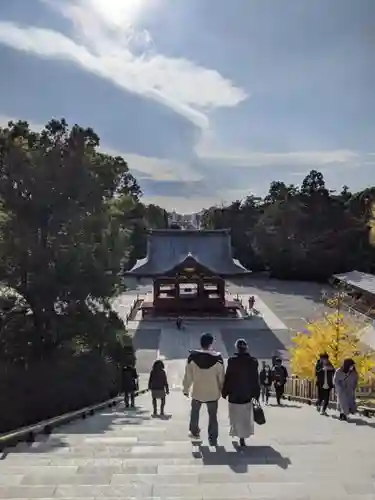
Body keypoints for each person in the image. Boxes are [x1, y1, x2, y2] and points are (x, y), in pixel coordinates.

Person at [183, 332, 224, 446]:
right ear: (211, 343)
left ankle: (194, 431)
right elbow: (221, 378)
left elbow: (188, 376)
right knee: (212, 415)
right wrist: (222, 389)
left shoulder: (192, 357)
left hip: (197, 391)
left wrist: (186, 389)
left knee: (195, 412)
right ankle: (213, 437)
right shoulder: (218, 359)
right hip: (213, 392)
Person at [222, 339, 260, 447]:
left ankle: (235, 432)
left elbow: (228, 377)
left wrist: (225, 391)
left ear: (236, 348)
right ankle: (242, 437)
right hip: (247, 394)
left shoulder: (232, 361)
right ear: (246, 347)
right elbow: (255, 379)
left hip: (234, 394)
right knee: (245, 417)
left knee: (234, 415)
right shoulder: (253, 361)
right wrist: (256, 394)